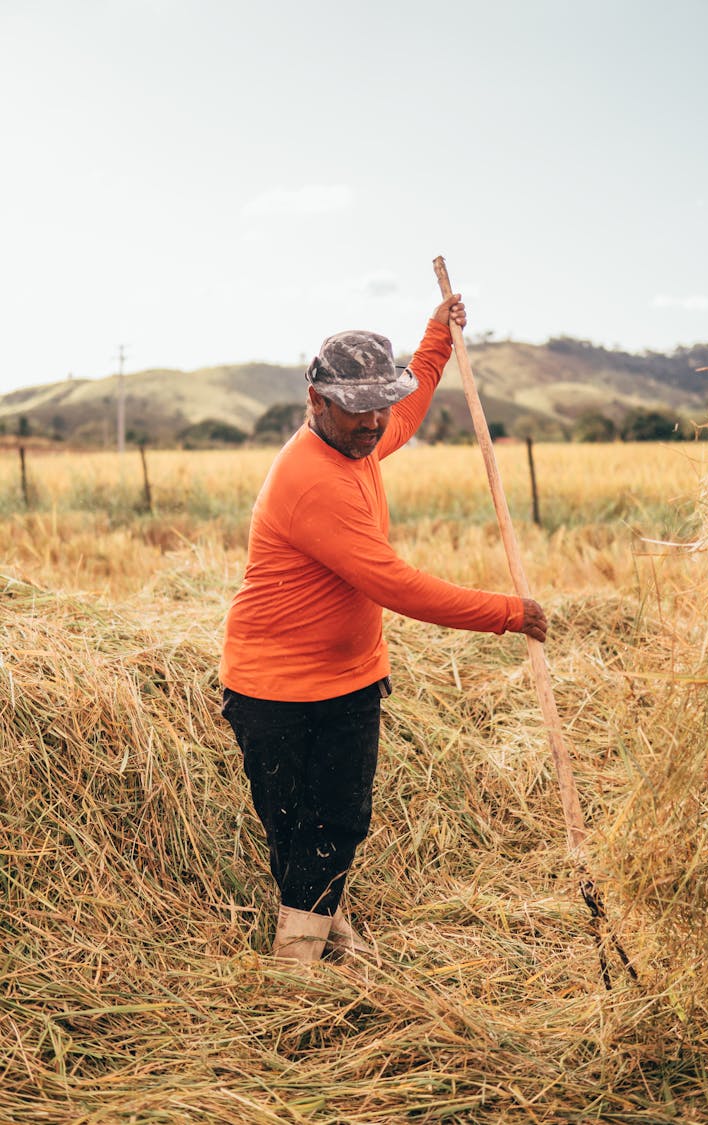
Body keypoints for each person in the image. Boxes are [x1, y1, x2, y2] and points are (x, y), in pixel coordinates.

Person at [220, 293, 547, 965]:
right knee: (296, 829)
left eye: (379, 404)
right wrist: (507, 612)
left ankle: (308, 939)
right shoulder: (313, 481)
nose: (375, 421)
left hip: (350, 677)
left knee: (336, 821)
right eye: (357, 406)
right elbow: (394, 584)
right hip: (273, 687)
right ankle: (298, 962)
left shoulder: (360, 437)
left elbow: (416, 395)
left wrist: (439, 335)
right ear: (316, 399)